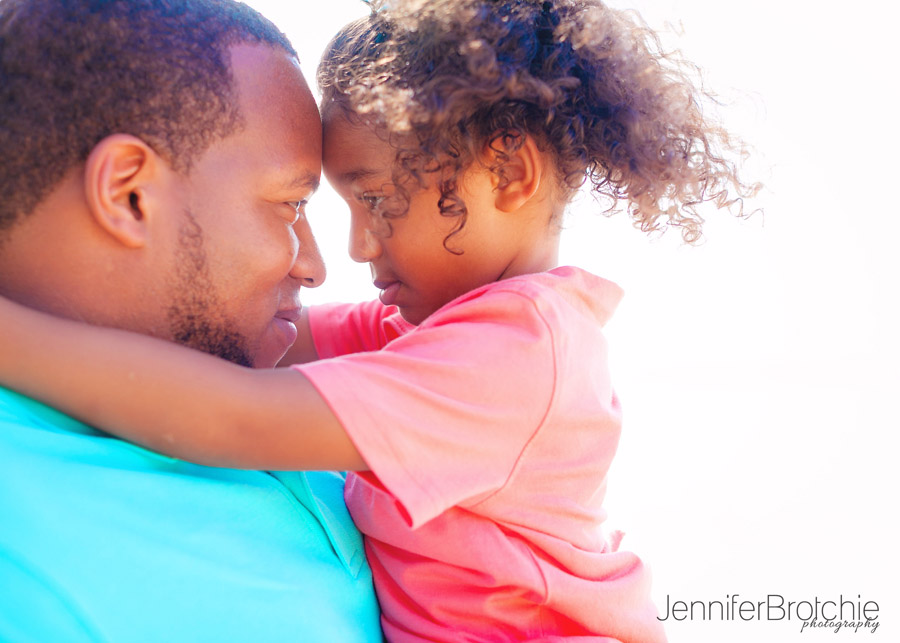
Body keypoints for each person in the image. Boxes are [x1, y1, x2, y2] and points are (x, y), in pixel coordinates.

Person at [0, 0, 758, 640]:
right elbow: (275, 359)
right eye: (298, 205)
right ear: (128, 194)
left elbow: (240, 414)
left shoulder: (517, 350)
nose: (347, 251)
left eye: (377, 201)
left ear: (509, 174)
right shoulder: (430, 336)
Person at [0, 1, 382, 641]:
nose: (316, 267)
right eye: (291, 205)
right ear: (130, 194)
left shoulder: (284, 410)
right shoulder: (26, 570)